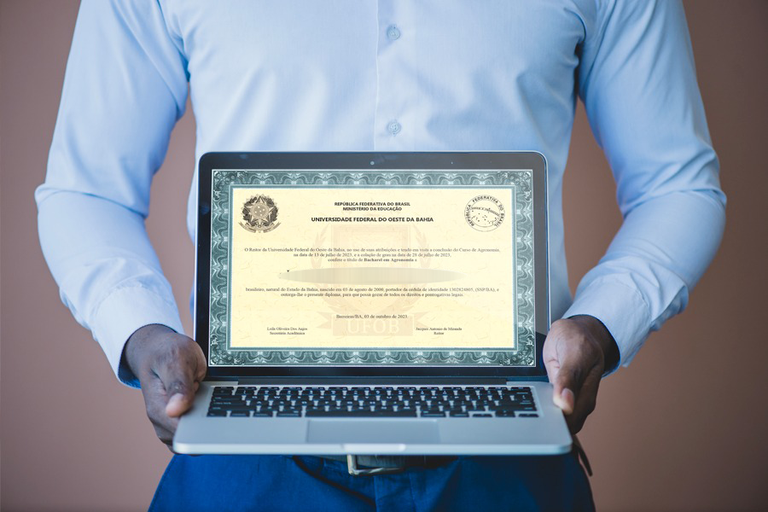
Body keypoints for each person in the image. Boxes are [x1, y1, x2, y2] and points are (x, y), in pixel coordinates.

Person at [37, 1, 725, 510]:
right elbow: (87, 189)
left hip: (505, 450)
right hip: (248, 455)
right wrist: (141, 333)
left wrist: (600, 326)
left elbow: (677, 185)